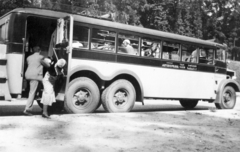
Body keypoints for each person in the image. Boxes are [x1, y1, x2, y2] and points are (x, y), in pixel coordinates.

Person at [24, 46, 44, 116]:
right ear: (39, 51)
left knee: (33, 91)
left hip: (28, 75)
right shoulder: (41, 57)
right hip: (35, 76)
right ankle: (27, 109)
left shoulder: (28, 58)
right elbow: (46, 65)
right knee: (32, 92)